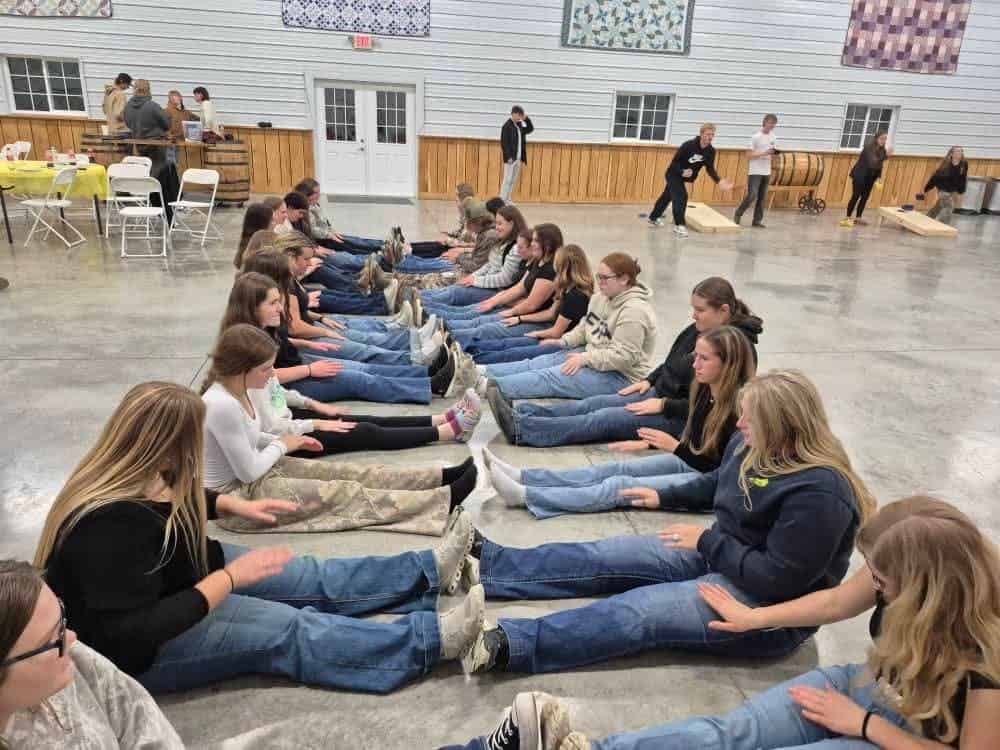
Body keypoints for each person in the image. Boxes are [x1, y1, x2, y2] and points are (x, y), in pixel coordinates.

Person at [36, 382, 490, 696]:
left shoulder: (143, 473)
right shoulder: (105, 528)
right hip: (146, 650)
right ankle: (430, 641)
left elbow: (173, 496)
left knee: (311, 574)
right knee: (291, 631)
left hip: (189, 575)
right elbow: (131, 633)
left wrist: (228, 506)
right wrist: (230, 580)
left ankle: (428, 572)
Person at [473, 496, 1000, 750]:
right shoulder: (901, 566)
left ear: (932, 590)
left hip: (903, 733)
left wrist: (864, 725)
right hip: (869, 687)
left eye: (883, 581)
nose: (874, 585)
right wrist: (753, 619)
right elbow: (834, 602)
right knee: (727, 732)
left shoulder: (987, 659)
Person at [461, 370, 875, 681]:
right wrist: (665, 497)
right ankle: (491, 566)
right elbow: (718, 484)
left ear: (784, 426)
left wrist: (711, 543)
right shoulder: (751, 444)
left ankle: (511, 644)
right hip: (725, 551)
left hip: (765, 607)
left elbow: (776, 579)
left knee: (639, 612)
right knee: (609, 554)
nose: (740, 424)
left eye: (750, 418)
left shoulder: (821, 494)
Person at [200, 324, 478, 535]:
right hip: (237, 502)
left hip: (258, 473)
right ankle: (441, 501)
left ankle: (437, 478)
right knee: (344, 494)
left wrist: (290, 441)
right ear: (241, 368)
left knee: (350, 473)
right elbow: (246, 471)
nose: (271, 375)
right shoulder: (221, 403)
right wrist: (284, 443)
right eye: (265, 370)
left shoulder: (241, 389)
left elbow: (250, 437)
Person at [485, 326, 755, 518]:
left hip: (704, 476)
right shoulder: (705, 388)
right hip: (689, 458)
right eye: (695, 356)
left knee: (618, 487)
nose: (694, 364)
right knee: (609, 469)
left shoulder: (738, 410)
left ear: (728, 364)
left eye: (703, 358)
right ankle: (526, 478)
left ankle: (528, 496)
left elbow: (719, 469)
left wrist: (673, 447)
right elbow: (694, 440)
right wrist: (650, 444)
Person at [490, 277, 762, 447]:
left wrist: (665, 404)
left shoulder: (734, 348)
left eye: (700, 310)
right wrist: (649, 381)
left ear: (723, 311)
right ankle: (524, 415)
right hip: (657, 395)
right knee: (592, 404)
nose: (694, 315)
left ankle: (523, 431)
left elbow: (716, 405)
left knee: (603, 419)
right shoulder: (702, 330)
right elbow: (672, 361)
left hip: (681, 417)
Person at [0, 560, 185, 749]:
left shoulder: (73, 659)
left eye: (61, 618)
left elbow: (140, 720)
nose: (71, 638)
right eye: (50, 641)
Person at [223, 272, 457, 405]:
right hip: (287, 384)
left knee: (365, 365)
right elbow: (266, 376)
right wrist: (311, 370)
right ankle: (430, 385)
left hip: (299, 365)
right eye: (273, 303)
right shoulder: (243, 337)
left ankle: (426, 373)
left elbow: (282, 343)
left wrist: (307, 343)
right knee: (360, 379)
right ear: (252, 306)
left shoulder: (264, 324)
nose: (281, 308)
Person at [484, 253, 655, 412]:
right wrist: (563, 342)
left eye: (604, 278)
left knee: (552, 377)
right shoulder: (601, 297)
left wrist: (584, 359)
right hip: (595, 356)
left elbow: (624, 357)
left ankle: (486, 385)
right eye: (598, 277)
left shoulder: (634, 312)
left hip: (621, 376)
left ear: (624, 279)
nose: (599, 282)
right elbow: (585, 326)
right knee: (540, 362)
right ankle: (480, 371)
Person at [468, 242, 593, 366]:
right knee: (506, 342)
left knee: (512, 351)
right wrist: (519, 319)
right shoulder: (567, 287)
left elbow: (556, 332)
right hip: (552, 331)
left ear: (564, 267)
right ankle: (467, 351)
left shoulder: (576, 296)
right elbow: (551, 313)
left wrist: (535, 334)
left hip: (560, 341)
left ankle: (474, 362)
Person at [420, 205, 528, 308]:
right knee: (454, 287)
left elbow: (505, 279)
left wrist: (475, 280)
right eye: (496, 223)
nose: (496, 227)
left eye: (500, 224)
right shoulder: (501, 240)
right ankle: (419, 297)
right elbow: (489, 264)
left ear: (512, 224)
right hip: (486, 282)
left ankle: (421, 303)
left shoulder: (515, 248)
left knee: (455, 292)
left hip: (499, 291)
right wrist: (472, 277)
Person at [648, 123, 735, 237]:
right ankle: (679, 225)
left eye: (712, 135)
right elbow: (674, 163)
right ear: (701, 134)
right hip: (673, 174)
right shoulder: (688, 145)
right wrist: (682, 171)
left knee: (667, 196)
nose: (710, 137)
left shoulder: (710, 151)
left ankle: (654, 217)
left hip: (684, 177)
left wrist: (719, 181)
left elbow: (710, 168)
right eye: (708, 134)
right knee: (681, 196)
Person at [122, 80, 178, 219]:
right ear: (148, 90)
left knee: (149, 179)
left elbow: (128, 123)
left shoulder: (128, 106)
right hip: (157, 146)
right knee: (161, 181)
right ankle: (167, 215)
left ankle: (154, 210)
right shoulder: (152, 106)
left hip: (139, 147)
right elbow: (166, 124)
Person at [733, 114, 778, 227]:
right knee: (752, 195)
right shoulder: (756, 137)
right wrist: (765, 153)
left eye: (774, 124)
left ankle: (757, 220)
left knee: (762, 197)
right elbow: (748, 155)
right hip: (755, 171)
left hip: (766, 171)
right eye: (770, 123)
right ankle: (738, 213)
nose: (772, 125)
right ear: (765, 122)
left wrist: (774, 155)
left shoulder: (774, 137)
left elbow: (771, 153)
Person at [841, 131, 892, 228]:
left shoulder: (882, 150)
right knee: (856, 196)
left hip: (870, 177)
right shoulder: (868, 147)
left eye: (885, 139)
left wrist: (879, 177)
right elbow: (872, 162)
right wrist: (886, 156)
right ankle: (847, 217)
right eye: (882, 138)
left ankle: (858, 217)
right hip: (860, 175)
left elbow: (879, 165)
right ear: (876, 138)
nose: (883, 141)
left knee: (865, 197)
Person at [918, 145, 968, 224]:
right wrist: (926, 189)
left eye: (961, 151)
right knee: (949, 206)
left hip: (953, 190)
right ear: (951, 154)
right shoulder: (946, 165)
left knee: (939, 206)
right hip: (943, 189)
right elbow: (934, 178)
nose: (960, 153)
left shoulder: (964, 164)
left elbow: (963, 178)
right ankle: (943, 224)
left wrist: (961, 191)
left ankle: (927, 218)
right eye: (957, 151)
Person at [500, 105, 534, 202]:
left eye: (521, 116)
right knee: (507, 180)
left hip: (518, 158)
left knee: (513, 181)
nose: (520, 118)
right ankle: (502, 200)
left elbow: (530, 129)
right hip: (511, 159)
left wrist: (526, 119)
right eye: (519, 115)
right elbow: (504, 142)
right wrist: (508, 157)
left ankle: (508, 199)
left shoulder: (519, 126)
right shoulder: (506, 126)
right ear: (514, 114)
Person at [163, 90, 198, 166]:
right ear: (170, 99)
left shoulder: (186, 112)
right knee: (171, 164)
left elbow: (198, 119)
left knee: (178, 164)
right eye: (174, 97)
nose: (178, 98)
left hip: (181, 142)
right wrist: (169, 136)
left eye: (179, 96)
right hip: (171, 142)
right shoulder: (167, 111)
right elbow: (163, 125)